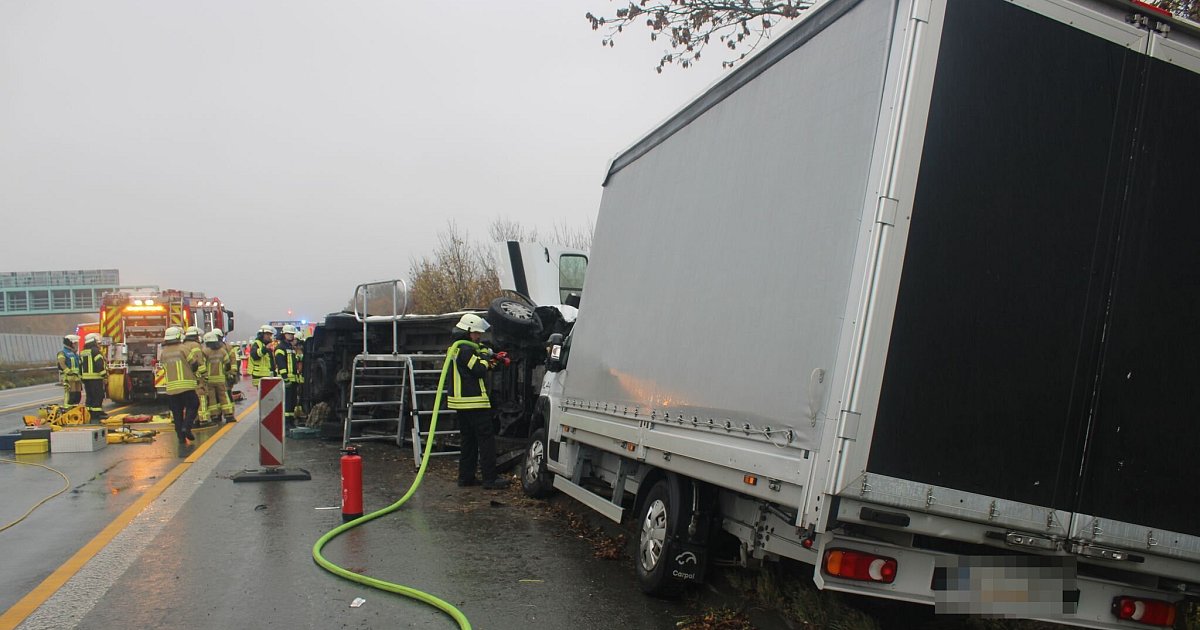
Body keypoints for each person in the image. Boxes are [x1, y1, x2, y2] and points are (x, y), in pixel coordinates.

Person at [448, 314, 509, 490]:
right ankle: (490, 479)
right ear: (467, 331)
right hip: (473, 402)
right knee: (486, 440)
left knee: (469, 441)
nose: (478, 336)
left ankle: (465, 478)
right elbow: (479, 369)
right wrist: (485, 358)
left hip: (461, 403)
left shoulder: (455, 347)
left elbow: (475, 367)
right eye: (475, 333)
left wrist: (489, 360)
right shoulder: (466, 349)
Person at [160, 326, 206, 444]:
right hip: (186, 386)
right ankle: (186, 427)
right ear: (179, 336)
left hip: (171, 389)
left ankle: (180, 435)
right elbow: (194, 363)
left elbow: (163, 367)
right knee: (193, 406)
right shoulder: (183, 349)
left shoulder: (163, 352)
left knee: (177, 412)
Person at [199, 331, 234, 424]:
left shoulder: (205, 351)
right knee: (224, 397)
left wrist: (203, 376)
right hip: (221, 378)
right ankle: (229, 415)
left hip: (209, 379)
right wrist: (228, 374)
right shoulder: (222, 351)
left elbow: (202, 364)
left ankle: (215, 416)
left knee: (212, 399)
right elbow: (228, 364)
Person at [273, 324, 300, 427]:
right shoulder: (280, 347)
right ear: (284, 334)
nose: (291, 336)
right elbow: (281, 364)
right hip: (285, 379)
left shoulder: (290, 347)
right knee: (287, 402)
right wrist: (285, 378)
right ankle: (286, 422)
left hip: (293, 379)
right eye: (289, 334)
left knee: (292, 401)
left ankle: (291, 420)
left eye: (292, 334)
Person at [79, 332, 108, 419]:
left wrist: (82, 378)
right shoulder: (95, 351)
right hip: (96, 378)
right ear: (94, 341)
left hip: (86, 379)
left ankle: (89, 413)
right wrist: (104, 375)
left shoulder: (83, 352)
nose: (99, 345)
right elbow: (99, 364)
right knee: (98, 396)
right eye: (98, 343)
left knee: (90, 397)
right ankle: (96, 414)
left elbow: (80, 365)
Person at [57, 334, 82, 406]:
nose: (76, 345)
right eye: (75, 343)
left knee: (77, 395)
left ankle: (75, 409)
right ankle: (67, 409)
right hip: (69, 378)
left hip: (76, 378)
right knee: (71, 396)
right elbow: (62, 364)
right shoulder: (62, 353)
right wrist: (69, 372)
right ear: (70, 343)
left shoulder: (75, 354)